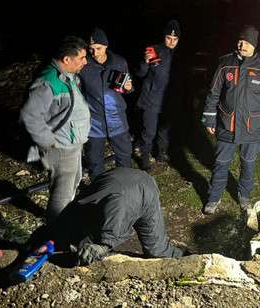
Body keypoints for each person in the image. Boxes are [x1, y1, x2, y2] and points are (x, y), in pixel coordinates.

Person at [201, 25, 260, 214]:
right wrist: (209, 118)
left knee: (248, 164)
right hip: (227, 124)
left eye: (247, 42)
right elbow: (213, 93)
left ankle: (244, 197)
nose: (242, 45)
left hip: (253, 127)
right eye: (240, 41)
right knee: (221, 163)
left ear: (254, 45)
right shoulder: (225, 64)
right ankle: (213, 198)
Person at [41, 166, 184, 265]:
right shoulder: (80, 208)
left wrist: (100, 247)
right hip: (139, 180)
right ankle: (182, 255)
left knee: (156, 250)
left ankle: (187, 259)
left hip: (135, 192)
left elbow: (112, 233)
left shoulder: (118, 206)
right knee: (157, 249)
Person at [20, 36, 91, 222]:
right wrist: (49, 143)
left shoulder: (67, 76)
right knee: (62, 193)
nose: (85, 61)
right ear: (66, 59)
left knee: (73, 182)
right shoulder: (47, 82)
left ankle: (65, 219)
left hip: (72, 144)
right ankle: (56, 229)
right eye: (81, 58)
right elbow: (29, 116)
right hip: (61, 148)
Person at [79, 28, 133, 181]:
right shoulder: (83, 66)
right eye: (91, 49)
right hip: (94, 122)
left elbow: (127, 88)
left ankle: (125, 186)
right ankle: (98, 189)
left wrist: (128, 88)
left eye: (99, 48)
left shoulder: (119, 62)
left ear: (106, 46)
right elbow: (78, 93)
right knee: (94, 161)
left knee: (124, 156)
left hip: (117, 119)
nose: (95, 53)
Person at [134, 19, 181, 170]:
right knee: (149, 132)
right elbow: (140, 74)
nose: (171, 42)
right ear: (164, 37)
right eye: (169, 38)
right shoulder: (154, 50)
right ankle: (145, 160)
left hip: (167, 100)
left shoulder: (180, 55)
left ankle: (162, 154)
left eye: (175, 39)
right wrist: (145, 62)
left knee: (164, 130)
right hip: (151, 100)